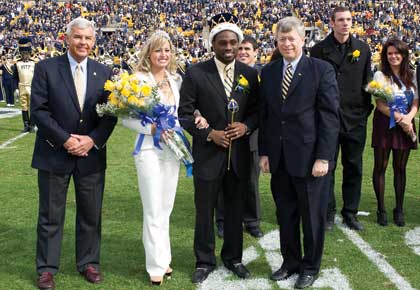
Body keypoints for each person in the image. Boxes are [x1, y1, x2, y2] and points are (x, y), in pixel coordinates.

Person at [30, 18, 117, 290]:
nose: (83, 43)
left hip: (90, 156)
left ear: (94, 41)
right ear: (67, 39)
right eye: (78, 37)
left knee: (91, 214)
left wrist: (92, 140)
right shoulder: (46, 68)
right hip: (54, 153)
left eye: (88, 38)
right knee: (50, 215)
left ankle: (89, 263)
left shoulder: (104, 72)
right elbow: (39, 111)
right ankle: (46, 269)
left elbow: (110, 115)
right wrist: (66, 140)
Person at [121, 30, 207, 286]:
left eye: (167, 50)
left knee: (166, 207)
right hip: (148, 149)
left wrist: (199, 116)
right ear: (149, 53)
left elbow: (186, 110)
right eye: (158, 50)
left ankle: (164, 258)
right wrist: (152, 129)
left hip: (174, 149)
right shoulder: (137, 79)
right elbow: (125, 117)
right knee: (152, 207)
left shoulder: (176, 79)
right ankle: (155, 265)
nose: (163, 54)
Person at [178, 13, 259, 284]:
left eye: (232, 43)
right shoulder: (196, 72)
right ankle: (204, 260)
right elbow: (185, 114)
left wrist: (246, 127)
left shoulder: (249, 74)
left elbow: (259, 112)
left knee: (236, 209)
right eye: (222, 43)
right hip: (208, 155)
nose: (228, 48)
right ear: (212, 44)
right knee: (204, 211)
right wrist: (209, 134)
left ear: (239, 44)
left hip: (238, 157)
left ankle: (233, 257)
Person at [259, 17, 339, 289]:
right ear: (277, 42)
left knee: (312, 218)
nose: (287, 43)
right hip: (280, 159)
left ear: (303, 40)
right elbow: (268, 116)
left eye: (292, 38)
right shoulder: (269, 72)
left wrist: (323, 157)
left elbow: (329, 116)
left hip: (309, 159)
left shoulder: (321, 70)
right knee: (286, 214)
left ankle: (310, 266)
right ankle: (290, 261)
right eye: (282, 39)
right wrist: (265, 152)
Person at [310, 6, 373, 231]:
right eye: (341, 20)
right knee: (327, 167)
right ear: (332, 23)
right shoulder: (317, 50)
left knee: (354, 166)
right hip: (327, 120)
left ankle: (350, 213)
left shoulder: (363, 49)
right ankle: (327, 212)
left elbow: (368, 84)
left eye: (349, 19)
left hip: (355, 119)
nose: (345, 23)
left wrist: (364, 113)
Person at [215, 35, 263, 239]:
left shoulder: (261, 74)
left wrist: (248, 127)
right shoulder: (225, 72)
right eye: (240, 48)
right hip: (224, 135)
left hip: (251, 136)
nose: (243, 52)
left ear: (255, 53)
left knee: (251, 180)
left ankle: (251, 220)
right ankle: (223, 221)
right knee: (222, 182)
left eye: (247, 49)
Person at [371, 39, 418, 227]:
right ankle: (381, 209)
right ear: (385, 55)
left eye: (397, 53)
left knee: (400, 168)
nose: (393, 56)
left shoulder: (412, 75)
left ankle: (399, 208)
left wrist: (409, 118)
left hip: (406, 123)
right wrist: (399, 117)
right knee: (380, 166)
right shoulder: (380, 74)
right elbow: (380, 104)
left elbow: (416, 102)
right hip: (386, 122)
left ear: (404, 54)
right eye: (390, 53)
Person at [15, 37, 36, 132]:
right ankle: (26, 125)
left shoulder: (34, 63)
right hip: (22, 86)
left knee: (33, 106)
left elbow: (38, 77)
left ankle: (32, 125)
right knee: (24, 106)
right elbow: (15, 77)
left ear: (29, 53)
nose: (25, 55)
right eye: (23, 53)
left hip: (32, 87)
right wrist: (15, 88)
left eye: (26, 53)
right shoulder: (17, 63)